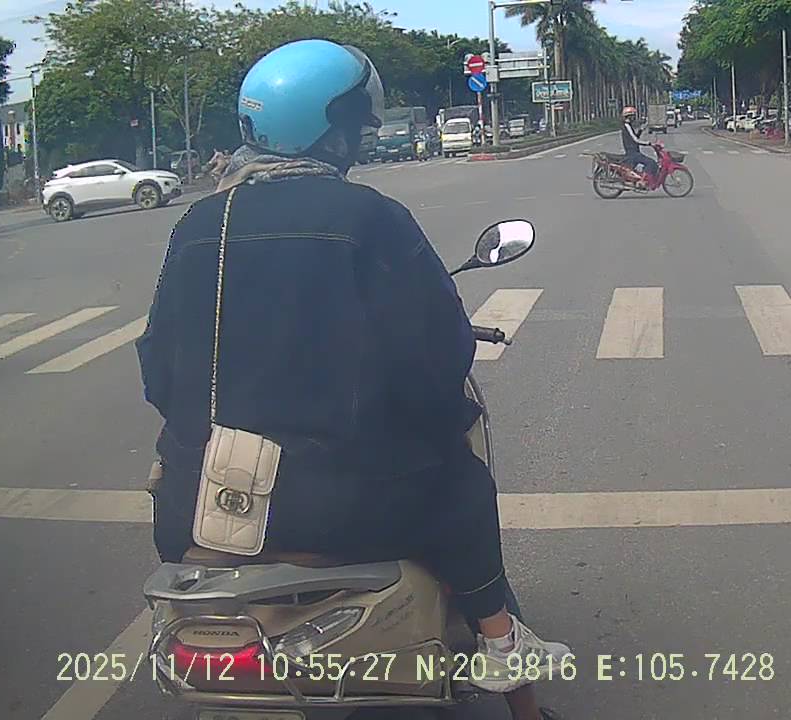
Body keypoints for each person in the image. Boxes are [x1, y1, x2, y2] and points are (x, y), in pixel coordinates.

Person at [135, 39, 568, 712]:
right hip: (340, 511)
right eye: (354, 126)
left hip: (197, 508)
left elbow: (158, 369)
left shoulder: (198, 223)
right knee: (460, 480)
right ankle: (500, 641)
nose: (359, 140)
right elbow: (439, 355)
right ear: (330, 129)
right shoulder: (368, 216)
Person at [620, 106, 658, 182]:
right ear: (628, 116)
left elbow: (634, 137)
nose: (634, 118)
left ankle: (643, 179)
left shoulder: (629, 125)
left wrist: (641, 130)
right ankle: (643, 181)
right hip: (633, 153)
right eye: (633, 116)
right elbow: (636, 140)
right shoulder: (627, 126)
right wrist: (649, 143)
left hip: (634, 152)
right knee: (651, 163)